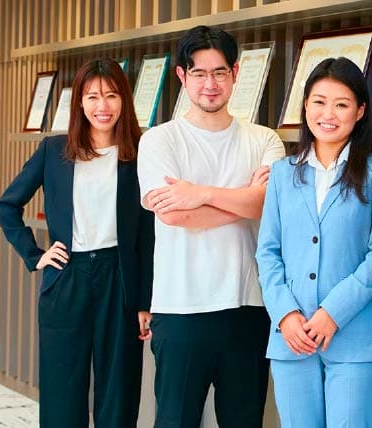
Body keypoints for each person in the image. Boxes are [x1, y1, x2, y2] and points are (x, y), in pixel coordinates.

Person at [136, 25, 285, 427]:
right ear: (182, 76)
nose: (210, 84)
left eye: (219, 72)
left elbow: (270, 205)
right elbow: (174, 215)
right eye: (199, 73)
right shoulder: (160, 140)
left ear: (235, 73)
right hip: (181, 308)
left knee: (244, 421)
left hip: (248, 306)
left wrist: (199, 193)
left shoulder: (264, 139)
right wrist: (247, 200)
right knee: (175, 421)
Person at [0, 58, 154, 428]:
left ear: (124, 99)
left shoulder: (141, 152)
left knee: (119, 390)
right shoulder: (54, 151)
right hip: (67, 275)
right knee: (62, 389)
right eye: (93, 96)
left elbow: (148, 235)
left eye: (111, 95)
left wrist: (145, 301)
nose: (103, 106)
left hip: (119, 279)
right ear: (79, 102)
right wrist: (35, 255)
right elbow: (7, 207)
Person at [256, 57, 372, 428]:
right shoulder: (282, 174)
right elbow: (267, 252)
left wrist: (332, 312)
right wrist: (285, 314)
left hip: (355, 337)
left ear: (360, 111)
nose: (328, 114)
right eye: (319, 102)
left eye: (342, 104)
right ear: (305, 106)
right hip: (291, 338)